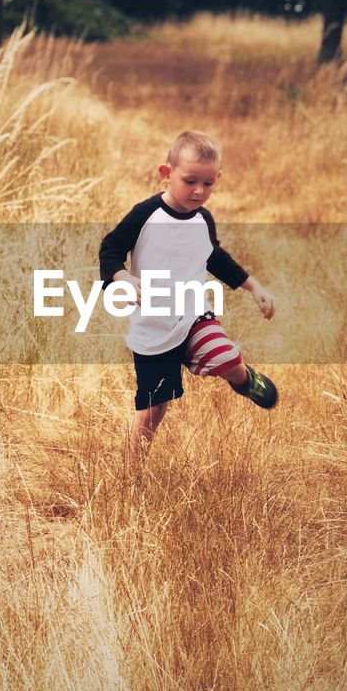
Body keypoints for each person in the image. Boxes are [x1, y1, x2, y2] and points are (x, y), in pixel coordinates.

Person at [98, 130, 278, 461]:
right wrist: (121, 276)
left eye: (208, 184)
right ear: (166, 174)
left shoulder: (202, 220)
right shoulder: (145, 215)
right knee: (153, 407)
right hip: (153, 326)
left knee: (225, 354)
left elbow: (214, 258)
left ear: (217, 179)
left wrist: (254, 286)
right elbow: (110, 248)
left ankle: (243, 379)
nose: (198, 191)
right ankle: (131, 469)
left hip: (195, 314)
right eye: (190, 181)